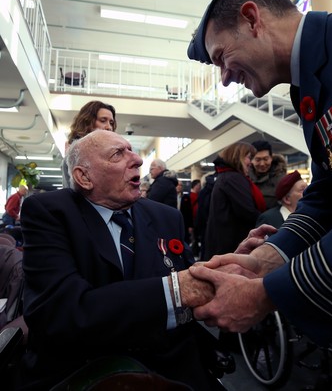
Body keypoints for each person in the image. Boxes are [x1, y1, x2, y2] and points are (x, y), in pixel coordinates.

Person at [187, 0, 332, 348]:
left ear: (253, 19)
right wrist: (269, 258)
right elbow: (328, 194)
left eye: (221, 57)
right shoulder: (307, 85)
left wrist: (270, 292)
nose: (223, 80)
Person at [18, 130, 228, 391]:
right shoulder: (50, 213)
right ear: (84, 177)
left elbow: (188, 282)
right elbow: (62, 314)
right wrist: (175, 292)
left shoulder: (166, 216)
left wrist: (223, 268)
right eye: (118, 153)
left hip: (171, 363)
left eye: (131, 150)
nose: (138, 159)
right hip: (86, 370)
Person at [203, 142, 266, 261]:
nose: (251, 163)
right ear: (238, 156)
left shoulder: (226, 176)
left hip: (224, 243)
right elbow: (247, 212)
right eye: (248, 157)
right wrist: (267, 219)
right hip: (231, 244)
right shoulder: (233, 178)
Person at [62, 100, 117, 187]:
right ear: (87, 123)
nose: (109, 127)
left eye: (111, 123)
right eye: (103, 121)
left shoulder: (114, 154)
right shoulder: (73, 156)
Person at [250, 140, 287, 209]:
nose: (262, 164)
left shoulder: (281, 179)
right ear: (251, 160)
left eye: (266, 159)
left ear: (271, 158)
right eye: (258, 160)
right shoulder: (244, 177)